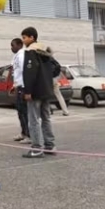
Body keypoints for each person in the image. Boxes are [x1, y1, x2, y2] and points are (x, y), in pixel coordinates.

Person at [20, 28, 60, 158]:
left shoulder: (31, 51)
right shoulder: (45, 52)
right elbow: (57, 67)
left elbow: (29, 72)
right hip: (46, 90)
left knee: (34, 119)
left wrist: (28, 91)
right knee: (46, 118)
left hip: (36, 91)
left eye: (25, 37)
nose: (23, 40)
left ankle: (36, 148)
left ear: (32, 37)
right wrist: (47, 78)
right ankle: (50, 145)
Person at [10, 38, 29, 143]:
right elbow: (17, 73)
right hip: (18, 86)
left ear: (19, 45)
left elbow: (24, 71)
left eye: (13, 45)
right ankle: (23, 132)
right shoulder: (17, 55)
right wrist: (14, 85)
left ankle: (29, 135)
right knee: (20, 112)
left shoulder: (22, 55)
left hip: (23, 87)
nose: (11, 48)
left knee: (24, 112)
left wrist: (25, 88)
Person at [45, 47, 70, 116]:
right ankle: (65, 111)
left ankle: (49, 110)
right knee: (59, 95)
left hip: (48, 79)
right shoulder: (53, 59)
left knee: (46, 95)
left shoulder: (45, 59)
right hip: (54, 79)